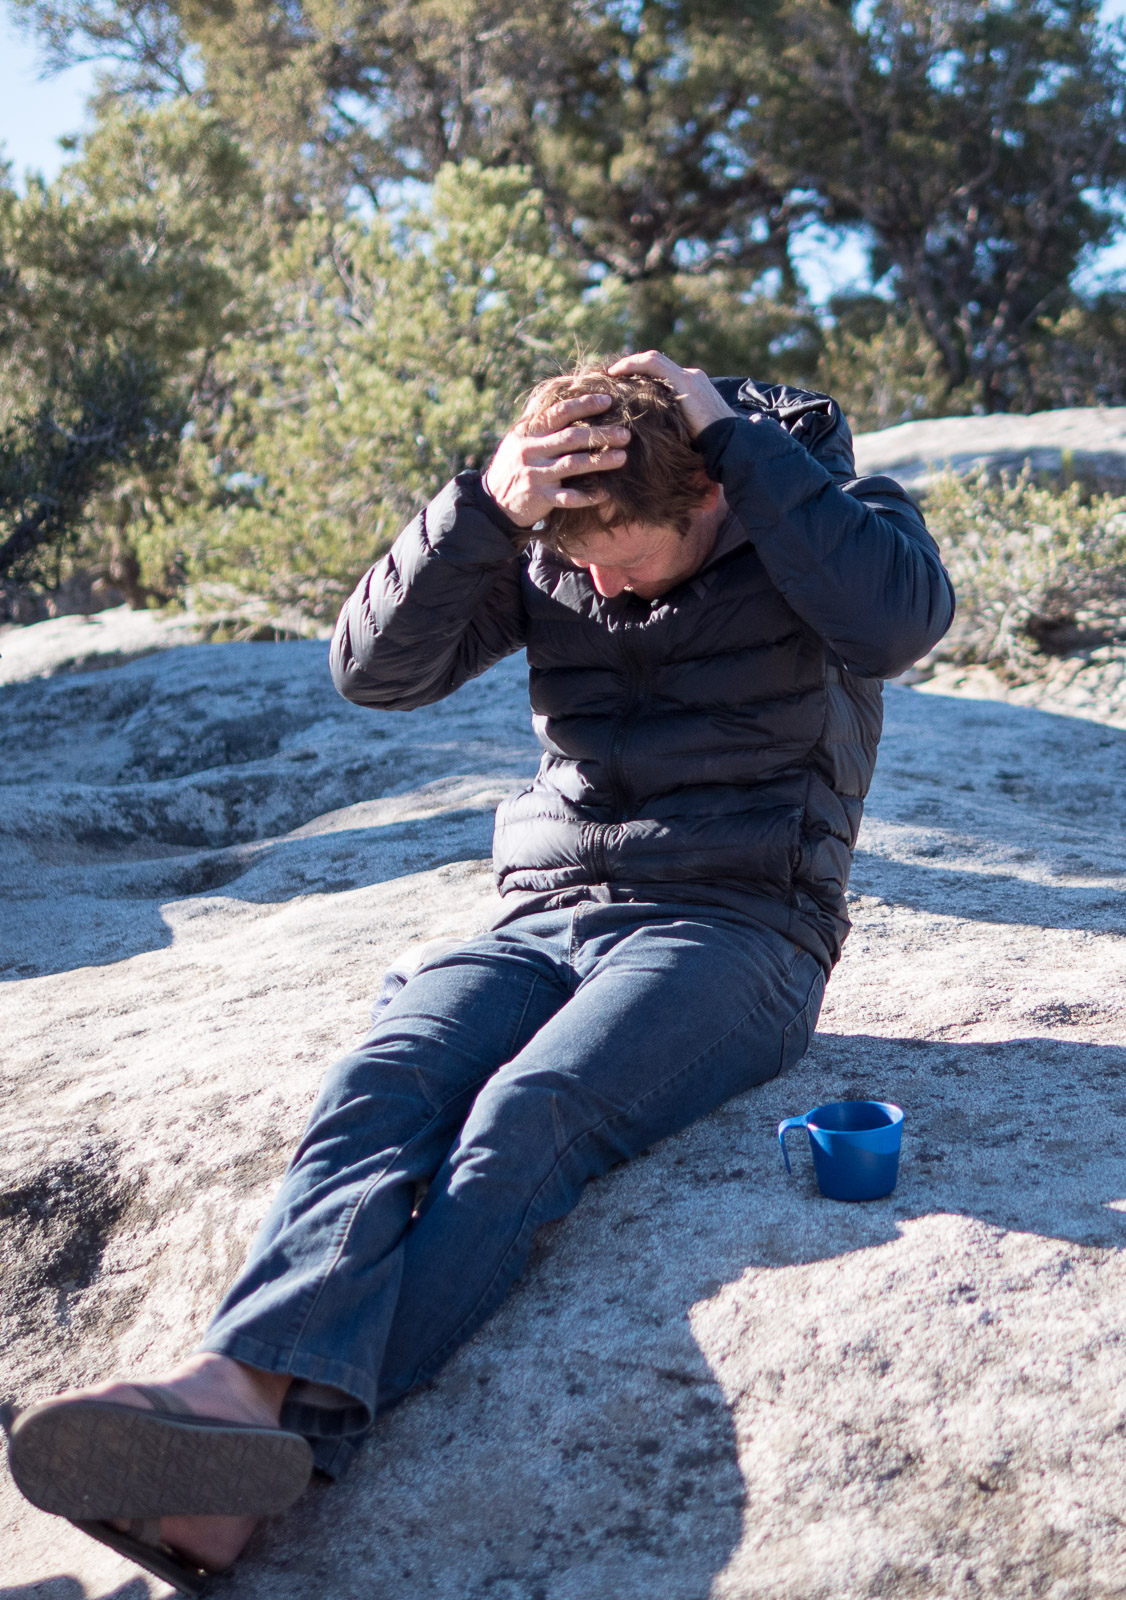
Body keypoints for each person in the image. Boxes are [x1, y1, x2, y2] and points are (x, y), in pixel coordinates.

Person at [4, 352, 954, 1593]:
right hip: (543, 914)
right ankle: (230, 1388)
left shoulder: (820, 519)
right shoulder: (556, 543)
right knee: (382, 1076)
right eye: (577, 558)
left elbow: (900, 626)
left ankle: (277, 1443)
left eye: (623, 556)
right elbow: (370, 670)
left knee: (526, 1114)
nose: (597, 584)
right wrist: (483, 512)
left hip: (737, 929)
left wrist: (743, 444)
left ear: (711, 494)